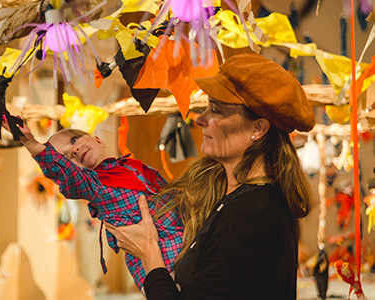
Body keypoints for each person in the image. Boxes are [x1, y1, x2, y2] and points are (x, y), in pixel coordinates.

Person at [105, 53, 315, 299]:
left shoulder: (252, 213)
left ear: (258, 129)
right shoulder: (234, 197)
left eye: (216, 110)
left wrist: (148, 252)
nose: (201, 119)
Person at [12, 124, 184, 291]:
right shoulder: (94, 186)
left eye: (74, 140)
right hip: (162, 266)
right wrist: (31, 143)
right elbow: (60, 170)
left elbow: (170, 196)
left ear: (98, 140)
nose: (74, 150)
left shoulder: (134, 166)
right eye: (66, 157)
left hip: (184, 242)